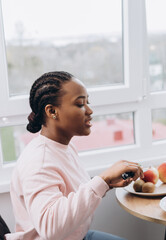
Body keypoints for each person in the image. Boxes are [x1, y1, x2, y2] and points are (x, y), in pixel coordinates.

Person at [6, 71, 143, 240]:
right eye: (80, 104)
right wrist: (103, 179)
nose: (90, 110)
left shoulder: (64, 146)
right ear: (52, 111)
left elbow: (71, 194)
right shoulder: (39, 162)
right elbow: (51, 229)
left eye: (88, 103)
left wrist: (108, 183)